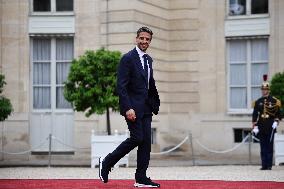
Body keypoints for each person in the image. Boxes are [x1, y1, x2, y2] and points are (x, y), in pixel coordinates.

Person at [99, 26, 160, 188]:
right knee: (137, 138)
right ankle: (107, 162)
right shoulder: (127, 58)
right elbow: (121, 86)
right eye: (142, 38)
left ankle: (141, 177)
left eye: (147, 39)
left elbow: (149, 84)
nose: (144, 41)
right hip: (132, 108)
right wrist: (127, 108)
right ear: (136, 39)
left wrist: (155, 102)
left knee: (146, 142)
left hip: (147, 107)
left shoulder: (149, 59)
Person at [252, 74, 281, 170]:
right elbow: (255, 114)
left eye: (265, 89)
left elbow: (278, 114)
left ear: (269, 90)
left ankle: (269, 165)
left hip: (270, 125)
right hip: (261, 125)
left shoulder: (274, 101)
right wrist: (255, 125)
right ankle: (264, 165)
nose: (264, 91)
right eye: (263, 89)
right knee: (262, 146)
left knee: (269, 146)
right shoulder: (258, 101)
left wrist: (276, 121)